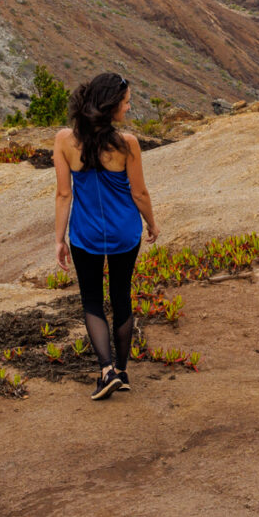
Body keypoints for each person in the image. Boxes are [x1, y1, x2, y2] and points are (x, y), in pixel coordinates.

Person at [53, 72, 158, 399]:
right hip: (124, 232)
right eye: (125, 103)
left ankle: (106, 370)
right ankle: (122, 373)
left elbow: (63, 194)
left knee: (92, 300)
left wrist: (59, 239)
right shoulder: (127, 144)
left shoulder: (65, 141)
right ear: (110, 107)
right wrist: (152, 224)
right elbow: (139, 193)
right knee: (122, 294)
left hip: (86, 235)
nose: (128, 108)